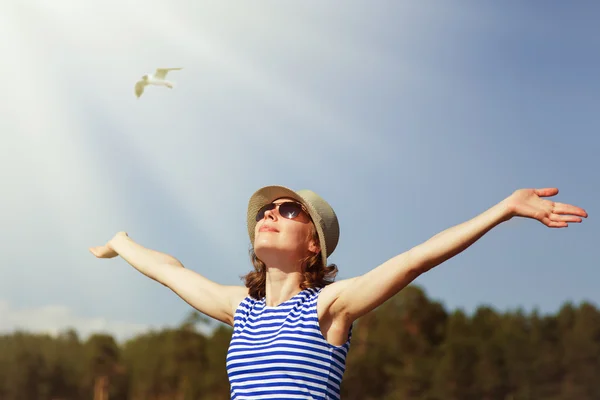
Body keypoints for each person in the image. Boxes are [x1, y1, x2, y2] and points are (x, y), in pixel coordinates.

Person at [89, 185, 587, 400]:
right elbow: (170, 270)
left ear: (313, 245)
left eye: (288, 211)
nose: (270, 214)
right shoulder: (242, 309)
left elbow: (419, 256)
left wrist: (504, 209)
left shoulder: (329, 306)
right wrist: (122, 242)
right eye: (267, 210)